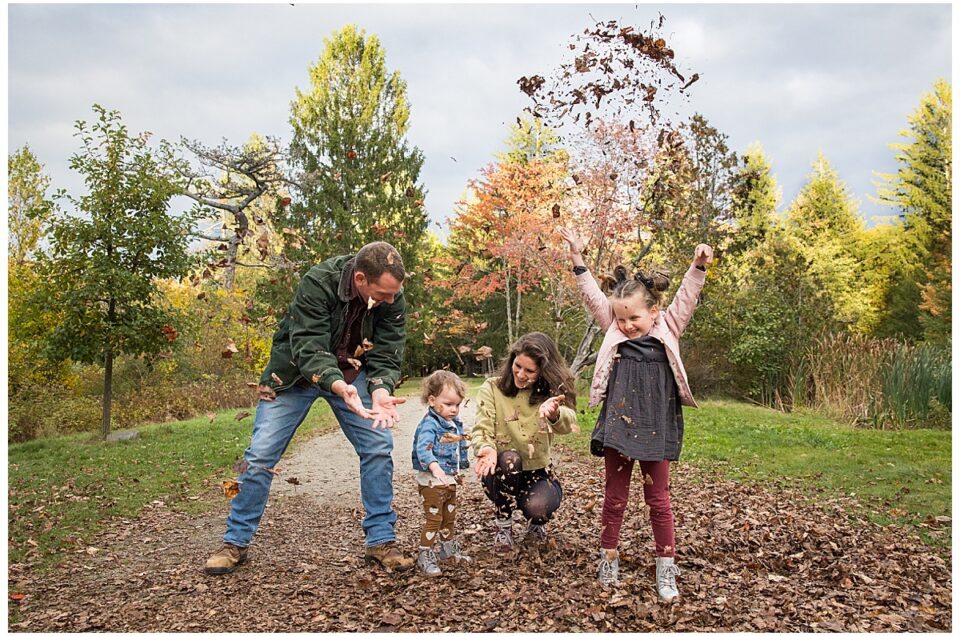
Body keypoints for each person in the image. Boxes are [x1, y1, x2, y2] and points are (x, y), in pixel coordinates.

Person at [204, 241, 412, 575]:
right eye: (382, 294)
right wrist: (338, 386)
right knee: (260, 455)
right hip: (294, 375)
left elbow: (388, 352)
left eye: (393, 294)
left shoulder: (392, 295)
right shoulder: (319, 281)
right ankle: (235, 541)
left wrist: (380, 390)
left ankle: (381, 541)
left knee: (378, 445)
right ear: (360, 279)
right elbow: (308, 346)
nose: (390, 300)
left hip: (352, 373)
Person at [558, 226, 712, 601]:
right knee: (615, 496)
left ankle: (666, 567)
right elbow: (592, 296)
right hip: (618, 424)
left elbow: (687, 297)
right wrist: (578, 258)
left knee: (658, 499)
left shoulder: (669, 327)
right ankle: (608, 557)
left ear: (654, 312)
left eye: (634, 320)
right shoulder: (613, 329)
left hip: (657, 425)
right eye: (621, 319)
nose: (626, 326)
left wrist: (698, 266)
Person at [472, 332, 577, 553]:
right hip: (501, 469)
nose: (520, 374)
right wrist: (486, 448)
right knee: (510, 459)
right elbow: (482, 426)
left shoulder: (551, 393)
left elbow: (570, 422)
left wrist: (555, 414)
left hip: (537, 471)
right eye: (517, 366)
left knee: (539, 507)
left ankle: (536, 523)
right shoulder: (492, 387)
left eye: (529, 371)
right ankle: (504, 524)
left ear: (543, 371)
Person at [410, 370, 473, 576]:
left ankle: (447, 549)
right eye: (448, 404)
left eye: (457, 405)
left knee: (449, 515)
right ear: (432, 400)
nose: (454, 409)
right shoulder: (430, 424)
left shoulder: (453, 423)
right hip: (432, 479)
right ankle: (425, 553)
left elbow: (457, 447)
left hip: (449, 477)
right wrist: (434, 466)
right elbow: (423, 448)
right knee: (434, 518)